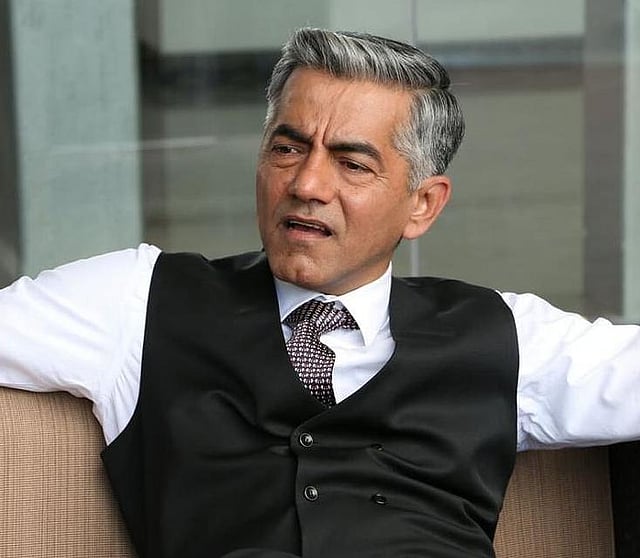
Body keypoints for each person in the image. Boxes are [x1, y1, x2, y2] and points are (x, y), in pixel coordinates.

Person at [1, 28, 639, 558]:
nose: (306, 184)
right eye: (288, 148)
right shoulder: (136, 302)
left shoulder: (504, 335)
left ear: (422, 204)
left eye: (352, 164)